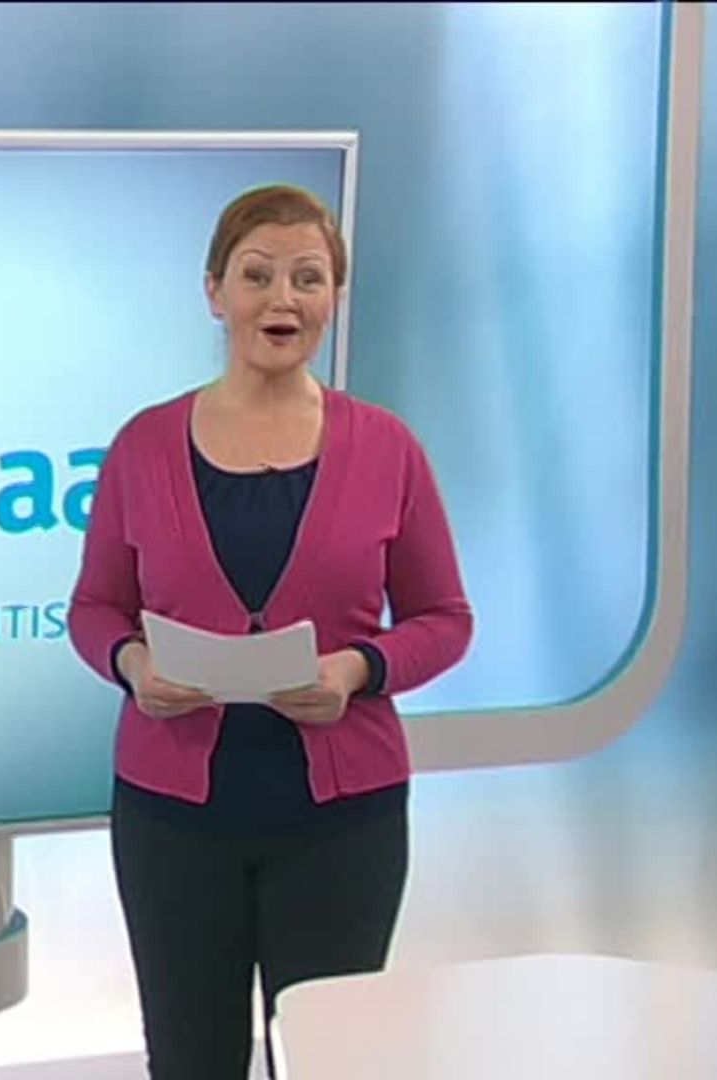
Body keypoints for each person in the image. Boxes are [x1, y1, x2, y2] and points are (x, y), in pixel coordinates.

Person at [67, 183, 474, 1080]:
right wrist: (132, 663)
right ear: (215, 292)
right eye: (256, 275)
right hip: (173, 823)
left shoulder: (390, 450)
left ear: (334, 297)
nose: (281, 299)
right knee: (189, 1063)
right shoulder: (143, 447)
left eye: (307, 278)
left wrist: (359, 670)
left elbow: (446, 620)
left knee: (326, 1062)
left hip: (342, 826)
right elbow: (94, 608)